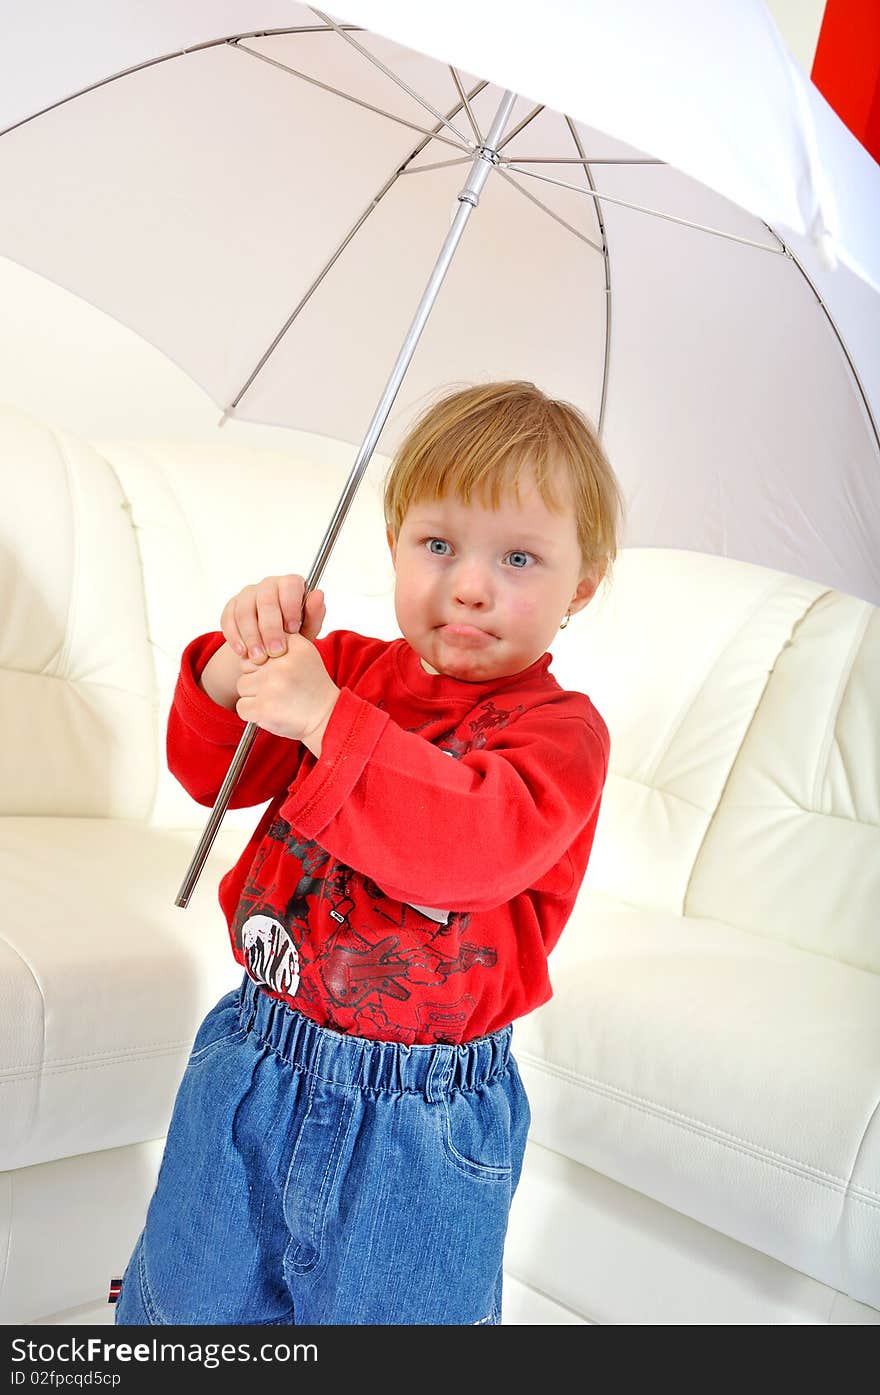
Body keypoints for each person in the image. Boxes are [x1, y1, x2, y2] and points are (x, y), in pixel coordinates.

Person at [114, 380, 626, 1327]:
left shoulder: (562, 737)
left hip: (421, 1122)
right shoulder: (341, 665)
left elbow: (465, 849)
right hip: (258, 1056)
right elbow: (211, 771)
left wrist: (326, 718)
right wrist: (242, 660)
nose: (470, 584)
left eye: (519, 557)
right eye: (439, 545)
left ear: (580, 587)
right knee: (187, 1308)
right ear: (393, 547)